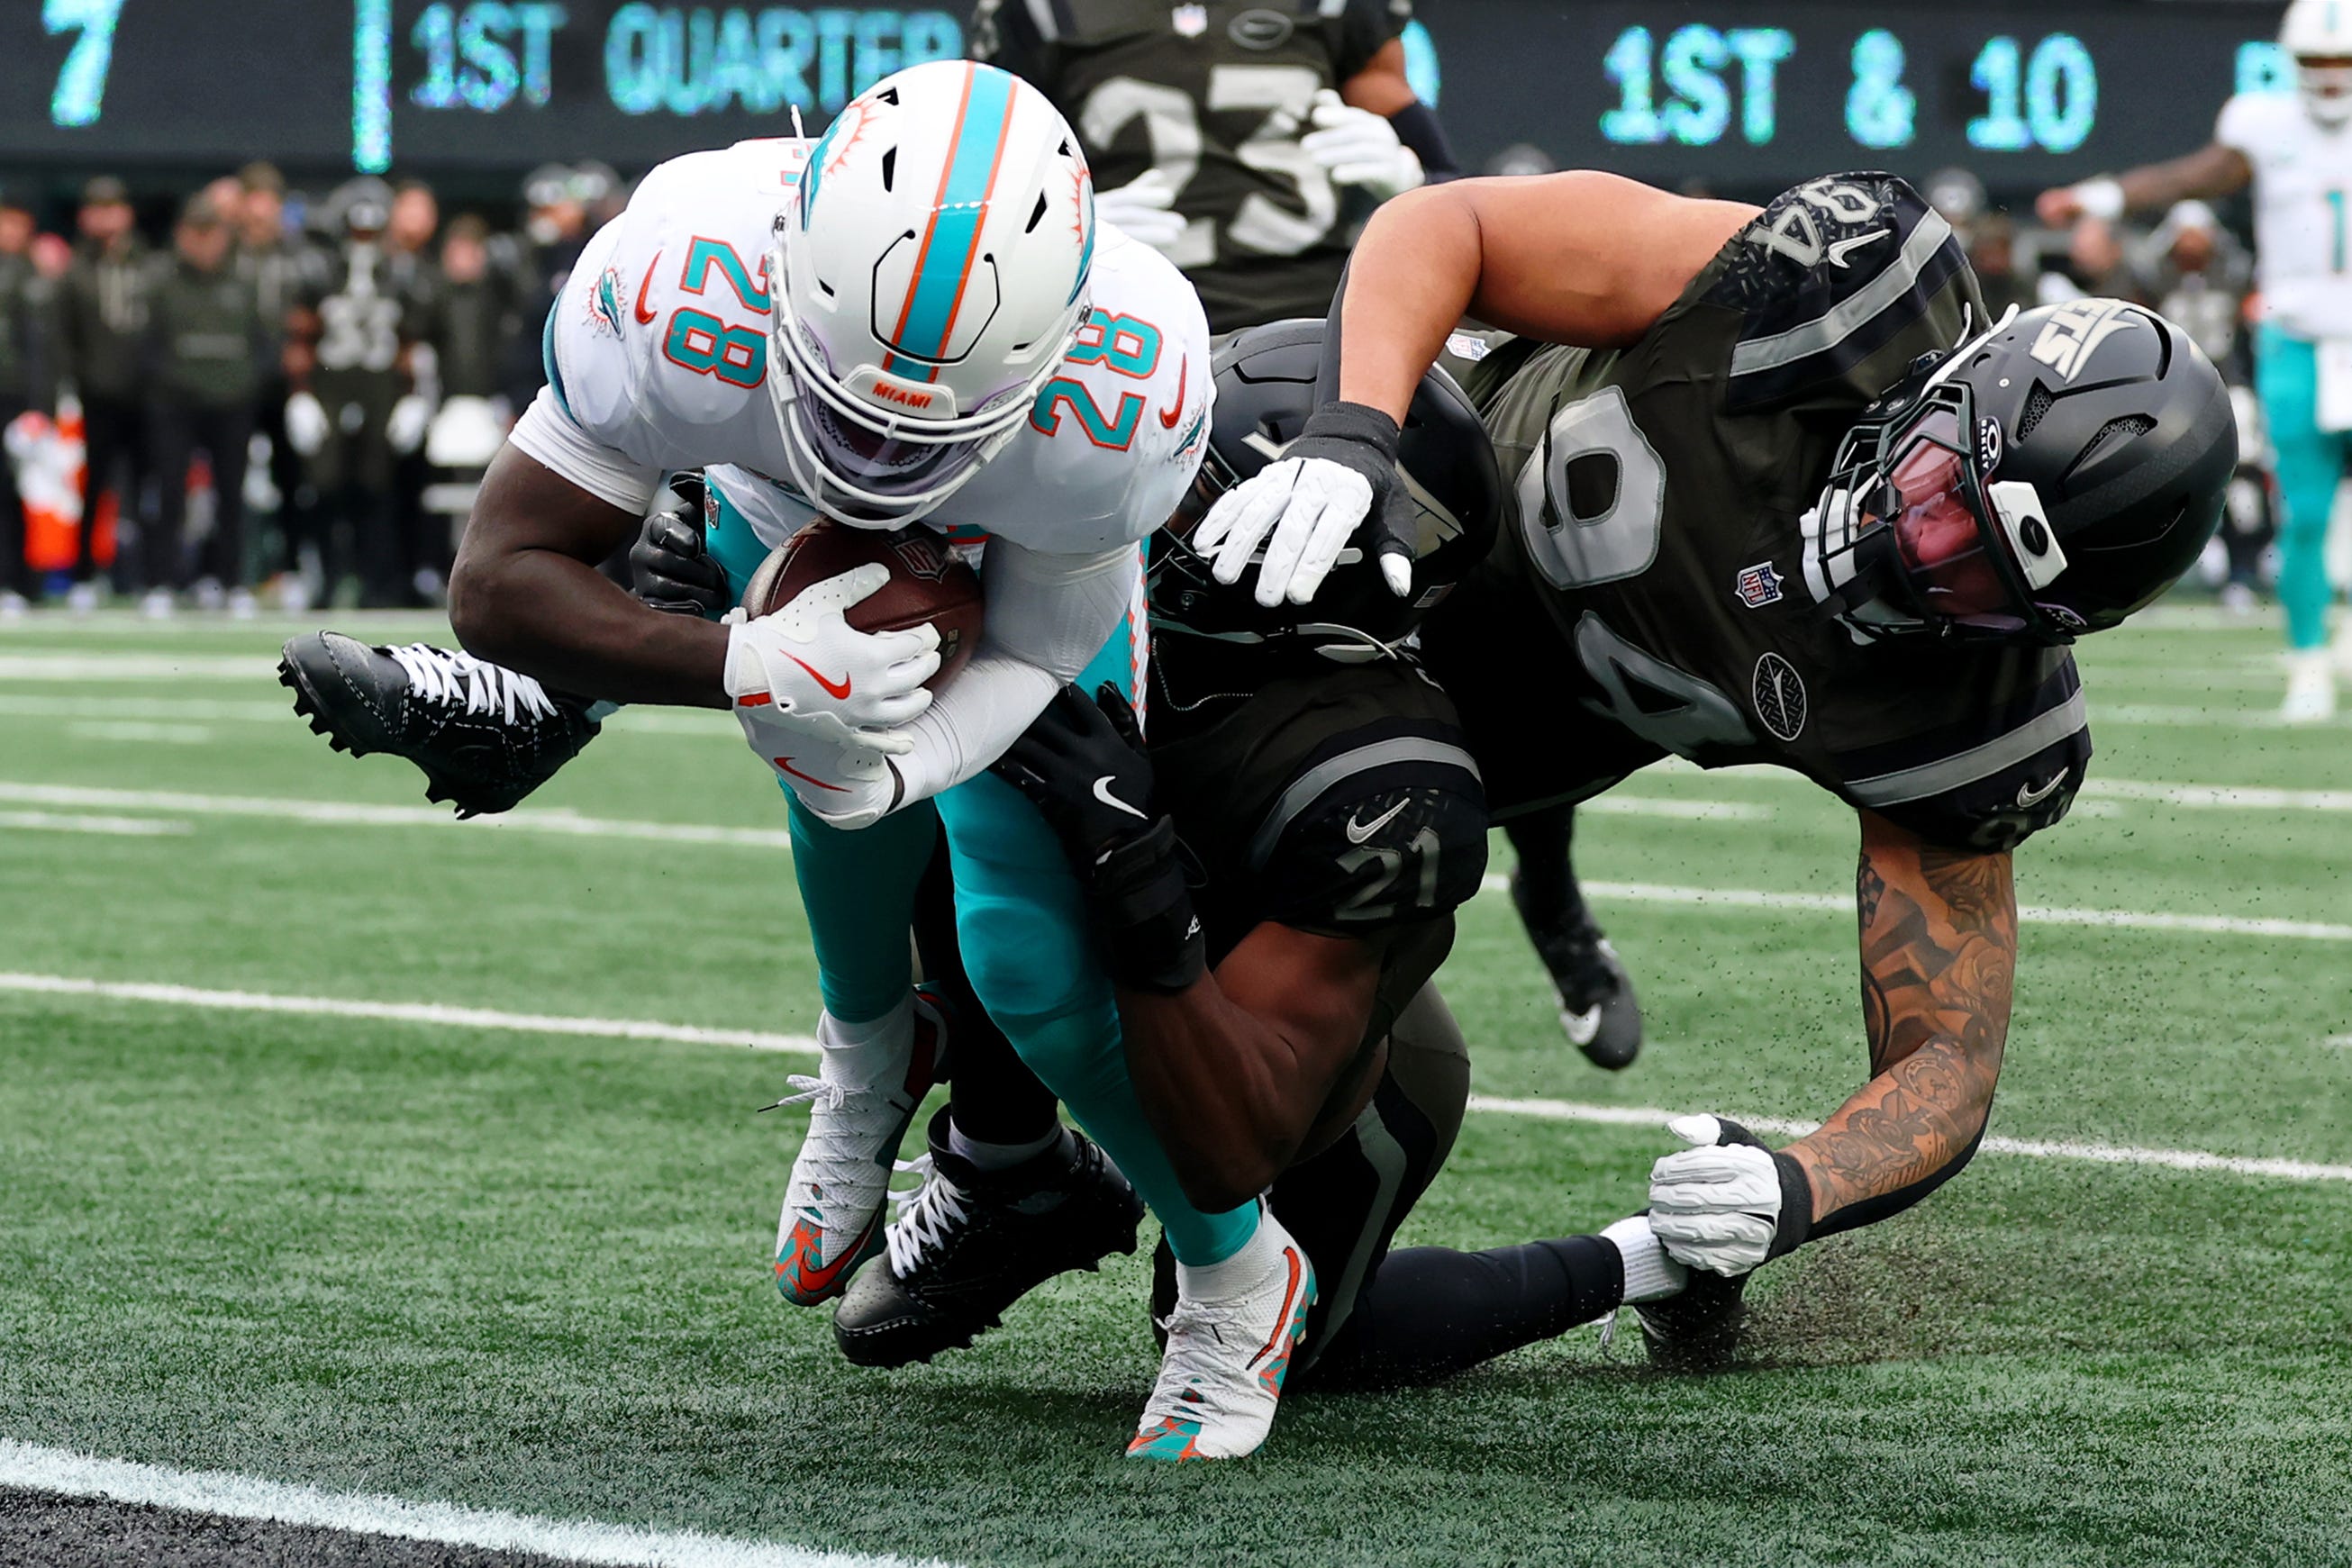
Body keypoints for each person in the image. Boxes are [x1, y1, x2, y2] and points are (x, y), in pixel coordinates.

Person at [279, 61, 1312, 1461]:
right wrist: (744, 667)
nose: (878, 456)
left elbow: (1035, 648)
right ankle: (863, 1061)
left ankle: (1240, 1275)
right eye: (855, 403)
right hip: (762, 504)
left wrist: (913, 760)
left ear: (1058, 339)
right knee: (814, 744)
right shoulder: (679, 270)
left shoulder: (1119, 385)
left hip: (1017, 559)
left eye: (919, 424)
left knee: (1032, 967)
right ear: (781, 273)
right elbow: (501, 577)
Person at [1190, 168, 2234, 1365]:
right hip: (1387, 524)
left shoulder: (1967, 719)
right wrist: (1351, 434)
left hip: (1451, 764)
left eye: (1977, 576)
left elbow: (1943, 1060)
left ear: (2042, 631)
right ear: (1950, 382)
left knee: (1293, 1273)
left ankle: (1629, 1257)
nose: (1917, 546)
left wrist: (1794, 1187)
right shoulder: (1839, 299)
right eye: (1945, 489)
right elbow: (1450, 225)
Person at [830, 320, 1692, 1425]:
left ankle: (1645, 1261)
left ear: (1296, 574)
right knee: (934, 789)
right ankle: (1012, 1170)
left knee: (1313, 1350)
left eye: (1194, 501)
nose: (1151, 512)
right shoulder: (1102, 543)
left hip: (1300, 1065)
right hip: (1150, 960)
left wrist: (1135, 865)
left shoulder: (1384, 782)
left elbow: (1232, 1148)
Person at [2039, 0, 2352, 720]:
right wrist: (2101, 193)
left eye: (2343, 63)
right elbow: (2192, 177)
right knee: (2301, 510)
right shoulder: (2263, 123)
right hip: (2297, 334)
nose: (2331, 79)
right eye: (2317, 63)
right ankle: (2307, 662)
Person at [972, 0, 1457, 332]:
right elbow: (978, 197)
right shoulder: (1038, 13)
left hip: (1319, 319)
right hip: (1124, 317)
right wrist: (1060, 230)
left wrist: (1412, 180)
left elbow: (1452, 192)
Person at [287, 178, 420, 607]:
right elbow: (300, 335)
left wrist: (415, 395)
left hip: (381, 387)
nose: (364, 241)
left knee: (376, 488)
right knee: (324, 486)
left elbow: (411, 341)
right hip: (330, 383)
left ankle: (375, 582)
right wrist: (300, 392)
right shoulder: (320, 272)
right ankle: (325, 578)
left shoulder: (399, 273)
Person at [144, 193, 270, 615]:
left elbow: (261, 345)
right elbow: (147, 345)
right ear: (181, 235)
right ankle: (162, 580)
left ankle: (229, 580)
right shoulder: (162, 282)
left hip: (231, 404)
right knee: (168, 492)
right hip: (175, 404)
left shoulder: (243, 283)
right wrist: (168, 386)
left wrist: (244, 387)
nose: (202, 244)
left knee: (231, 496)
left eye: (209, 233)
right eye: (194, 234)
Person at [55, 175, 155, 611]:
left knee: (146, 488)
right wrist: (72, 384)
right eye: (97, 208)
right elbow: (64, 335)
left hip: (146, 392)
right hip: (97, 392)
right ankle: (84, 574)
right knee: (95, 487)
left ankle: (144, 576)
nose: (106, 218)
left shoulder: (150, 266)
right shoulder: (76, 270)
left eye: (112, 207)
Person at [0, 186, 56, 616]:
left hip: (13, 398)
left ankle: (18, 579)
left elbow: (42, 348)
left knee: (13, 492)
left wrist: (40, 407)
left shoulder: (32, 277)